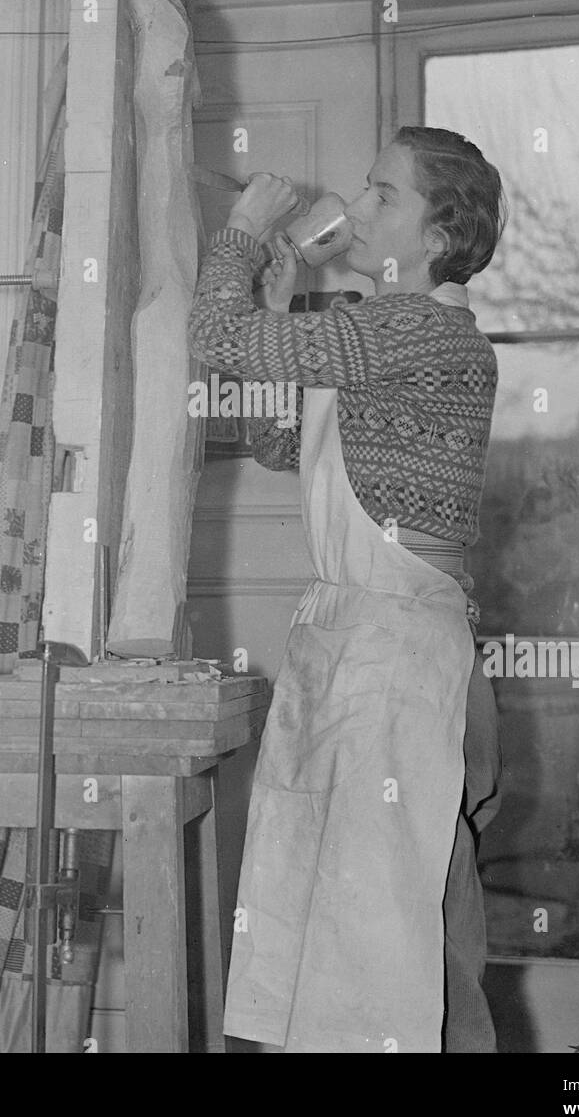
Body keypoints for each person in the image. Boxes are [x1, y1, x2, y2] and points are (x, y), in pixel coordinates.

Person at [187, 126, 507, 1054]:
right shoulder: (378, 326)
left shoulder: (418, 330)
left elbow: (216, 334)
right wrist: (284, 305)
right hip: (355, 648)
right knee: (363, 944)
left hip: (397, 667)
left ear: (439, 237)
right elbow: (282, 447)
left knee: (392, 958)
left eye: (383, 196)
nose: (357, 211)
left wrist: (243, 234)